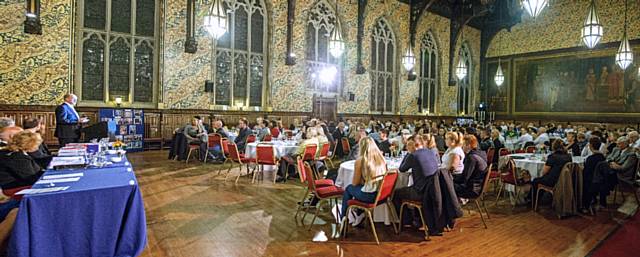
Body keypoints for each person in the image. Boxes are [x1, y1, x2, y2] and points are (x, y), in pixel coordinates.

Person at [394, 135, 439, 227]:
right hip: (434, 189)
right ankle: (417, 218)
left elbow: (402, 169)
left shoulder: (413, 156)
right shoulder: (430, 152)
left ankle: (406, 220)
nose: (406, 147)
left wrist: (408, 153)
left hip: (420, 191)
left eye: (408, 145)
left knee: (395, 193)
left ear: (416, 144)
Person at [340, 137, 386, 225]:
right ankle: (359, 214)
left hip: (369, 196)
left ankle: (344, 217)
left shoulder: (361, 160)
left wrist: (362, 179)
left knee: (349, 188)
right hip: (381, 195)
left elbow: (355, 183)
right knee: (360, 188)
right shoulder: (381, 158)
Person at [526, 139, 572, 204]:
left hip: (554, 181)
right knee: (541, 179)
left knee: (536, 181)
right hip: (565, 180)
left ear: (553, 147)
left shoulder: (552, 156)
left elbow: (544, 172)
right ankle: (540, 198)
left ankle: (531, 200)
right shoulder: (569, 156)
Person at [454, 135, 488, 202]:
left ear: (468, 145)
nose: (461, 147)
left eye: (463, 145)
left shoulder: (471, 157)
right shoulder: (482, 153)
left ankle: (452, 209)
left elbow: (464, 178)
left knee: (446, 185)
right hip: (478, 186)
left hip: (471, 189)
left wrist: (451, 178)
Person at [582, 137, 605, 213]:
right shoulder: (602, 157)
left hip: (591, 182)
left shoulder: (590, 159)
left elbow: (586, 173)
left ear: (591, 146)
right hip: (600, 181)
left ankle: (585, 205)